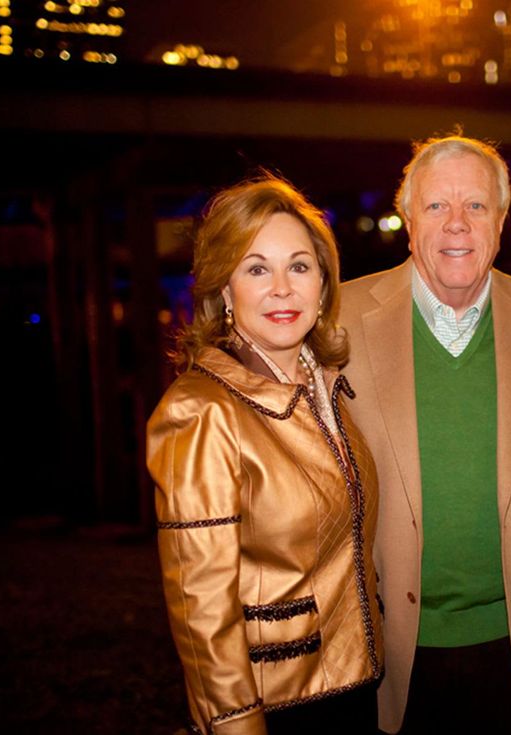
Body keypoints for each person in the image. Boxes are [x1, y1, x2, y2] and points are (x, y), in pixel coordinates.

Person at [338, 134, 511, 734]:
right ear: (408, 218)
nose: (457, 224)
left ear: (501, 220)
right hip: (384, 655)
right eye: (436, 206)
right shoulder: (335, 324)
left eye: (476, 206)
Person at [147, 174, 383, 735]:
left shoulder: (323, 387)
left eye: (299, 266)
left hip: (356, 689)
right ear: (225, 291)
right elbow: (201, 607)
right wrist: (235, 723)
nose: (282, 288)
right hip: (274, 708)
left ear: (323, 285)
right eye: (257, 269)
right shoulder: (200, 411)